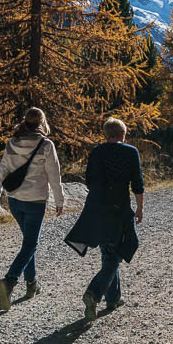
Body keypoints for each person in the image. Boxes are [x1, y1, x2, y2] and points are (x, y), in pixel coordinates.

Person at [64, 116, 144, 321]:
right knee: (119, 251)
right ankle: (94, 292)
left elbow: (89, 180)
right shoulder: (130, 151)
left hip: (96, 207)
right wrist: (139, 207)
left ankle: (113, 298)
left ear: (107, 135)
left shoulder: (97, 151)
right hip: (119, 207)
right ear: (123, 134)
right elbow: (137, 182)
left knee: (109, 250)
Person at [0, 107, 64, 312]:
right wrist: (59, 200)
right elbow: (54, 175)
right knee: (30, 244)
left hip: (15, 201)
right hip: (35, 201)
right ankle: (10, 281)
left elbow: (1, 173)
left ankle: (32, 285)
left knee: (28, 244)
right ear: (42, 123)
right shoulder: (46, 145)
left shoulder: (12, 143)